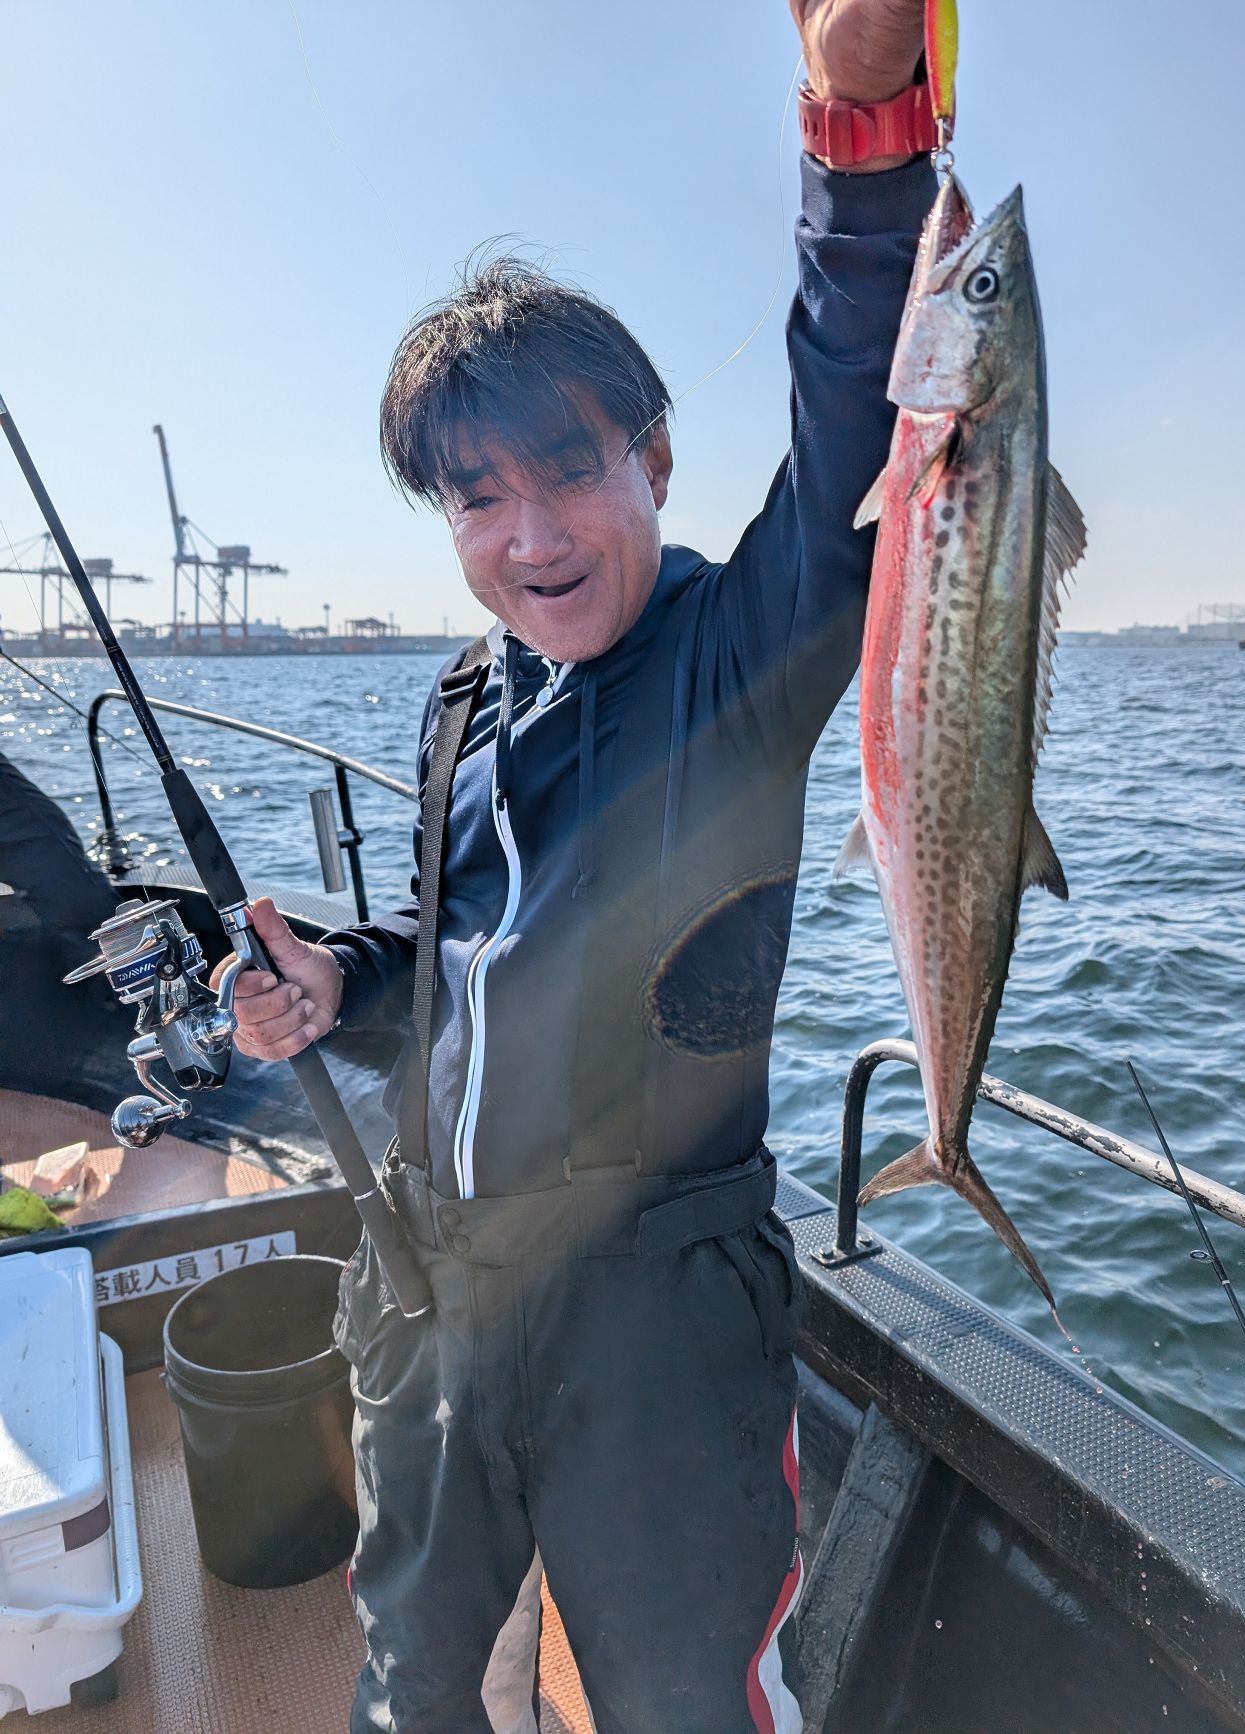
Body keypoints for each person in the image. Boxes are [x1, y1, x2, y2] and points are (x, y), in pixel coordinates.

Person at [222, 2, 937, 1726]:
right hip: (433, 1293)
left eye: (567, 471)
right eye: (478, 498)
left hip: (658, 1318)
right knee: (408, 1679)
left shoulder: (740, 651)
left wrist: (860, 134)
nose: (530, 537)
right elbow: (452, 951)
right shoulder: (464, 699)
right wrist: (335, 978)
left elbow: (853, 416)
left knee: (686, 1700)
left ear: (653, 460)